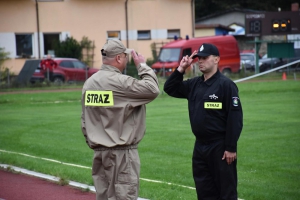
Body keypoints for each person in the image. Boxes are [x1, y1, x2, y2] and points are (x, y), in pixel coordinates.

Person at [81, 39, 160, 200]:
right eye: (125, 56)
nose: (127, 60)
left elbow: (85, 120)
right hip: (122, 154)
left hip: (99, 153)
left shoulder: (89, 84)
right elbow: (152, 89)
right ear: (118, 58)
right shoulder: (121, 82)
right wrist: (142, 66)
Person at [164, 43, 243, 200]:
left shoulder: (226, 85)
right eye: (199, 58)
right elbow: (170, 88)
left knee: (226, 192)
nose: (200, 61)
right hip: (200, 147)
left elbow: (235, 118)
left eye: (205, 58)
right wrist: (181, 69)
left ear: (216, 60)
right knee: (204, 191)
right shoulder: (194, 84)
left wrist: (231, 147)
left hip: (220, 148)